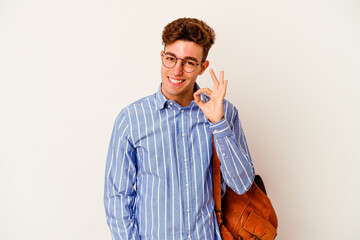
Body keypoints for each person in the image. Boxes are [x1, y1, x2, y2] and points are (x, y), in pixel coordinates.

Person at [104, 17, 255, 240]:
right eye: (171, 58)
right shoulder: (131, 119)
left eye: (189, 62)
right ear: (161, 57)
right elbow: (117, 197)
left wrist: (218, 123)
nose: (176, 70)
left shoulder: (224, 113)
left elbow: (242, 185)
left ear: (203, 67)